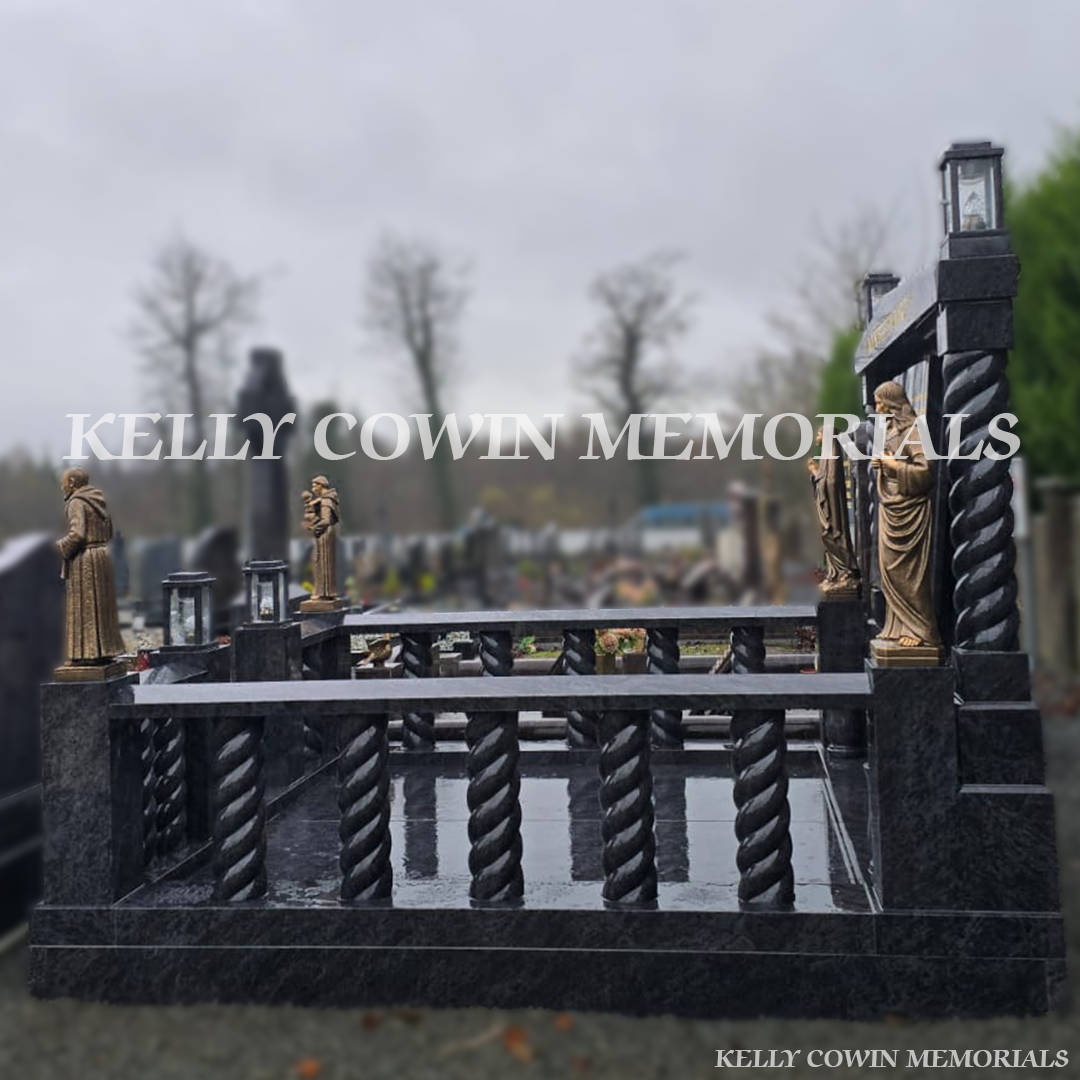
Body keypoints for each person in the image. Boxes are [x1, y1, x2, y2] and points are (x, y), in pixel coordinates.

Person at [870, 381, 941, 651]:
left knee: (910, 573)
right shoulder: (888, 432)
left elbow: (926, 471)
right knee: (890, 569)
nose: (876, 409)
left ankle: (923, 629)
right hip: (891, 507)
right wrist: (883, 465)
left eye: (879, 403)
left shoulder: (915, 429)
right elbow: (891, 464)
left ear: (892, 404)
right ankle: (898, 625)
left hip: (910, 510)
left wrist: (892, 465)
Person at [56, 467, 125, 666]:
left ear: (71, 484)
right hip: (102, 556)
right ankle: (105, 650)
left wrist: (60, 547)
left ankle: (84, 655)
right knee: (101, 608)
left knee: (84, 605)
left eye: (64, 483)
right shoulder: (99, 501)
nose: (62, 488)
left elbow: (78, 534)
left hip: (84, 559)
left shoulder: (76, 502)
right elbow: (110, 532)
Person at [807, 427, 860, 594]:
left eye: (819, 433)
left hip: (833, 509)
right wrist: (816, 472)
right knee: (825, 537)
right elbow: (825, 479)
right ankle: (835, 573)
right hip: (827, 506)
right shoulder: (825, 456)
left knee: (832, 535)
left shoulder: (832, 454)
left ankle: (847, 571)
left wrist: (816, 474)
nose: (817, 436)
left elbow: (832, 482)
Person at [303, 475, 340, 600]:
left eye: (314, 485)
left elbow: (325, 520)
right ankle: (324, 591)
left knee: (322, 561)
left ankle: (324, 592)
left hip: (325, 533)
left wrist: (314, 528)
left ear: (321, 485)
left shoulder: (326, 500)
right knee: (320, 561)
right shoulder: (326, 499)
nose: (313, 488)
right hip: (326, 531)